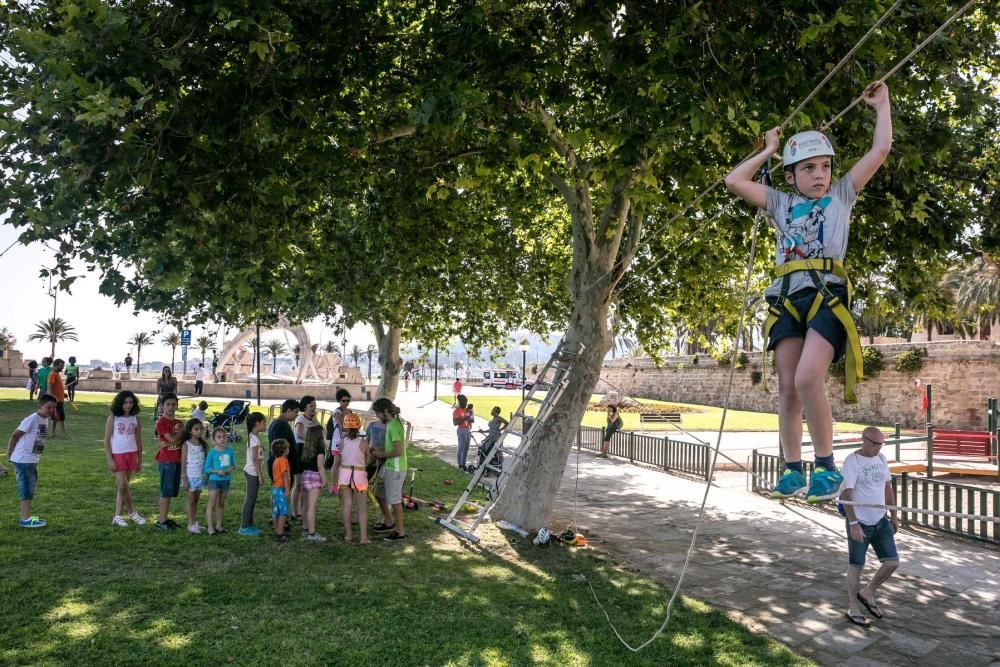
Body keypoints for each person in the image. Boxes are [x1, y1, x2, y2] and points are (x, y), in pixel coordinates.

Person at [724, 82, 892, 504]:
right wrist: (770, 147)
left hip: (827, 293)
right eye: (809, 168)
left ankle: (826, 468)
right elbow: (734, 179)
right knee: (787, 388)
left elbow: (880, 151)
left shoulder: (842, 194)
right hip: (786, 298)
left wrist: (882, 106)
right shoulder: (779, 203)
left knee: (807, 377)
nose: (820, 175)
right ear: (791, 175)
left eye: (824, 167)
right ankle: (792, 470)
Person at [841, 426, 900, 628]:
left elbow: (887, 487)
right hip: (860, 522)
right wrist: (853, 523)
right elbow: (846, 494)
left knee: (892, 563)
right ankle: (852, 606)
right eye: (874, 444)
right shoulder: (852, 461)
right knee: (856, 565)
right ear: (864, 440)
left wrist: (893, 515)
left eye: (881, 444)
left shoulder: (881, 459)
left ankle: (868, 591)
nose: (878, 447)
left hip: (880, 519)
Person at [6, 393, 56, 528]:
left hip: (31, 459)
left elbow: (38, 440)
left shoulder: (45, 419)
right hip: (23, 459)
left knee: (30, 488)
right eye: (49, 407)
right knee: (26, 488)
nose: (52, 410)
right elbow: (15, 435)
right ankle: (25, 519)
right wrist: (9, 452)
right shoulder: (32, 419)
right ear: (40, 406)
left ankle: (27, 516)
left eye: (54, 408)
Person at [104, 390, 146, 527]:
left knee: (123, 488)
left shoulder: (136, 419)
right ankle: (132, 512)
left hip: (132, 454)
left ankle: (117, 516)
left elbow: (138, 440)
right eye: (125, 402)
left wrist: (140, 459)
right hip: (118, 455)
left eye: (131, 402)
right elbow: (106, 440)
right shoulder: (113, 418)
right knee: (122, 486)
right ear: (120, 403)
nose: (128, 405)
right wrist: (110, 459)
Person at [371, 398, 407, 541]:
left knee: (395, 501)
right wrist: (378, 450)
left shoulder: (394, 426)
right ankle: (389, 522)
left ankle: (400, 532)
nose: (377, 417)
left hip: (396, 469)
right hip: (389, 466)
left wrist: (381, 454)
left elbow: (397, 451)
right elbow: (391, 448)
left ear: (385, 411)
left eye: (378, 414)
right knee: (378, 493)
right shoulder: (392, 424)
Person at [338, 413, 370, 544]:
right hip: (359, 475)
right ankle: (363, 538)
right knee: (362, 507)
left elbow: (340, 458)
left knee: (347, 505)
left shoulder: (342, 442)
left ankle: (348, 535)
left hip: (345, 474)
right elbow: (367, 459)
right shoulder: (363, 442)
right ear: (359, 427)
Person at [154, 393, 184, 530]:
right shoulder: (161, 422)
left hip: (177, 459)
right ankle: (161, 521)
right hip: (166, 460)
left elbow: (178, 441)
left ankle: (165, 518)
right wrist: (181, 432)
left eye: (173, 404)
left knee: (171, 490)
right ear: (162, 406)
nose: (171, 407)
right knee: (165, 491)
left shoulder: (178, 422)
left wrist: (170, 440)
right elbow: (171, 440)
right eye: (168, 404)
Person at [268, 399, 300, 524]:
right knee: (280, 494)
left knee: (278, 494)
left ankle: (278, 517)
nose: (297, 415)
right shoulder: (280, 425)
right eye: (296, 412)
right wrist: (285, 468)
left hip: (282, 466)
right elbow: (279, 448)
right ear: (288, 411)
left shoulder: (280, 423)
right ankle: (280, 520)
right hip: (281, 468)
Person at [239, 412, 267, 536]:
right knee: (250, 499)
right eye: (264, 422)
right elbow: (255, 459)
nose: (265, 424)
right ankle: (244, 526)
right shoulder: (254, 439)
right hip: (252, 473)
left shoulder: (255, 436)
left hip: (254, 472)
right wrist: (260, 476)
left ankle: (249, 524)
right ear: (257, 424)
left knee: (253, 499)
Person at [204, 427, 235, 535]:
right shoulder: (212, 452)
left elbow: (233, 465)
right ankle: (210, 528)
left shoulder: (229, 451)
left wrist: (228, 470)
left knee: (221, 503)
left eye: (224, 437)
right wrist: (217, 471)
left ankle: (219, 525)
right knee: (211, 504)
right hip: (214, 481)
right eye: (219, 437)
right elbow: (206, 468)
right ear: (214, 439)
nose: (222, 439)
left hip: (225, 480)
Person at [299, 425, 328, 542]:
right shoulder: (320, 449)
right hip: (314, 477)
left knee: (305, 505)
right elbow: (320, 466)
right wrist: (324, 479)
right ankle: (312, 533)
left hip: (305, 475)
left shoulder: (306, 447)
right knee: (312, 507)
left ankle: (305, 529)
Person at [180, 418, 208, 534]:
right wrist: (184, 477)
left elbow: (205, 461)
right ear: (190, 431)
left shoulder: (203, 444)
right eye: (196, 429)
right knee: (190, 500)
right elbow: (183, 462)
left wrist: (205, 475)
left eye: (201, 428)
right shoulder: (186, 445)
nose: (200, 431)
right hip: (190, 476)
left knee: (196, 500)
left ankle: (194, 522)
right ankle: (190, 524)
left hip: (200, 476)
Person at [326, 389, 352, 489]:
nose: (346, 403)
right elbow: (341, 426)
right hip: (338, 439)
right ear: (339, 401)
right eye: (343, 400)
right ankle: (334, 486)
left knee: (344, 462)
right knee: (336, 462)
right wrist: (352, 430)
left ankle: (342, 483)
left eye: (347, 400)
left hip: (347, 439)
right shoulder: (337, 412)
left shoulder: (349, 412)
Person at [270, 439, 291, 542]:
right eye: (287, 447)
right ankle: (280, 533)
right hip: (280, 489)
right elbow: (285, 476)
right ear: (284, 450)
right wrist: (287, 490)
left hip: (274, 489)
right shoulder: (283, 460)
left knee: (275, 511)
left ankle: (277, 530)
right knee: (283, 511)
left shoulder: (276, 460)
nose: (289, 449)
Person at [452, 394, 473, 470]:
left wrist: (470, 417)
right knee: (461, 448)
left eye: (466, 401)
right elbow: (455, 423)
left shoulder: (466, 410)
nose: (466, 403)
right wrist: (464, 418)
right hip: (461, 430)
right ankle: (460, 465)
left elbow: (471, 420)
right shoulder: (457, 411)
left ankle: (463, 464)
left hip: (468, 430)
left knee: (466, 448)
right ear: (460, 402)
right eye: (465, 401)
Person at [47, 358, 67, 437]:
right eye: (61, 366)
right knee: (61, 416)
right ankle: (63, 433)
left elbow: (57, 387)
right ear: (55, 366)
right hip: (56, 400)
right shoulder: (52, 374)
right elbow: (49, 389)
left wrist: (63, 393)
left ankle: (52, 433)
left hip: (59, 399)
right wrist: (53, 399)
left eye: (63, 366)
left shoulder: (57, 374)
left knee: (55, 417)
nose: (62, 368)